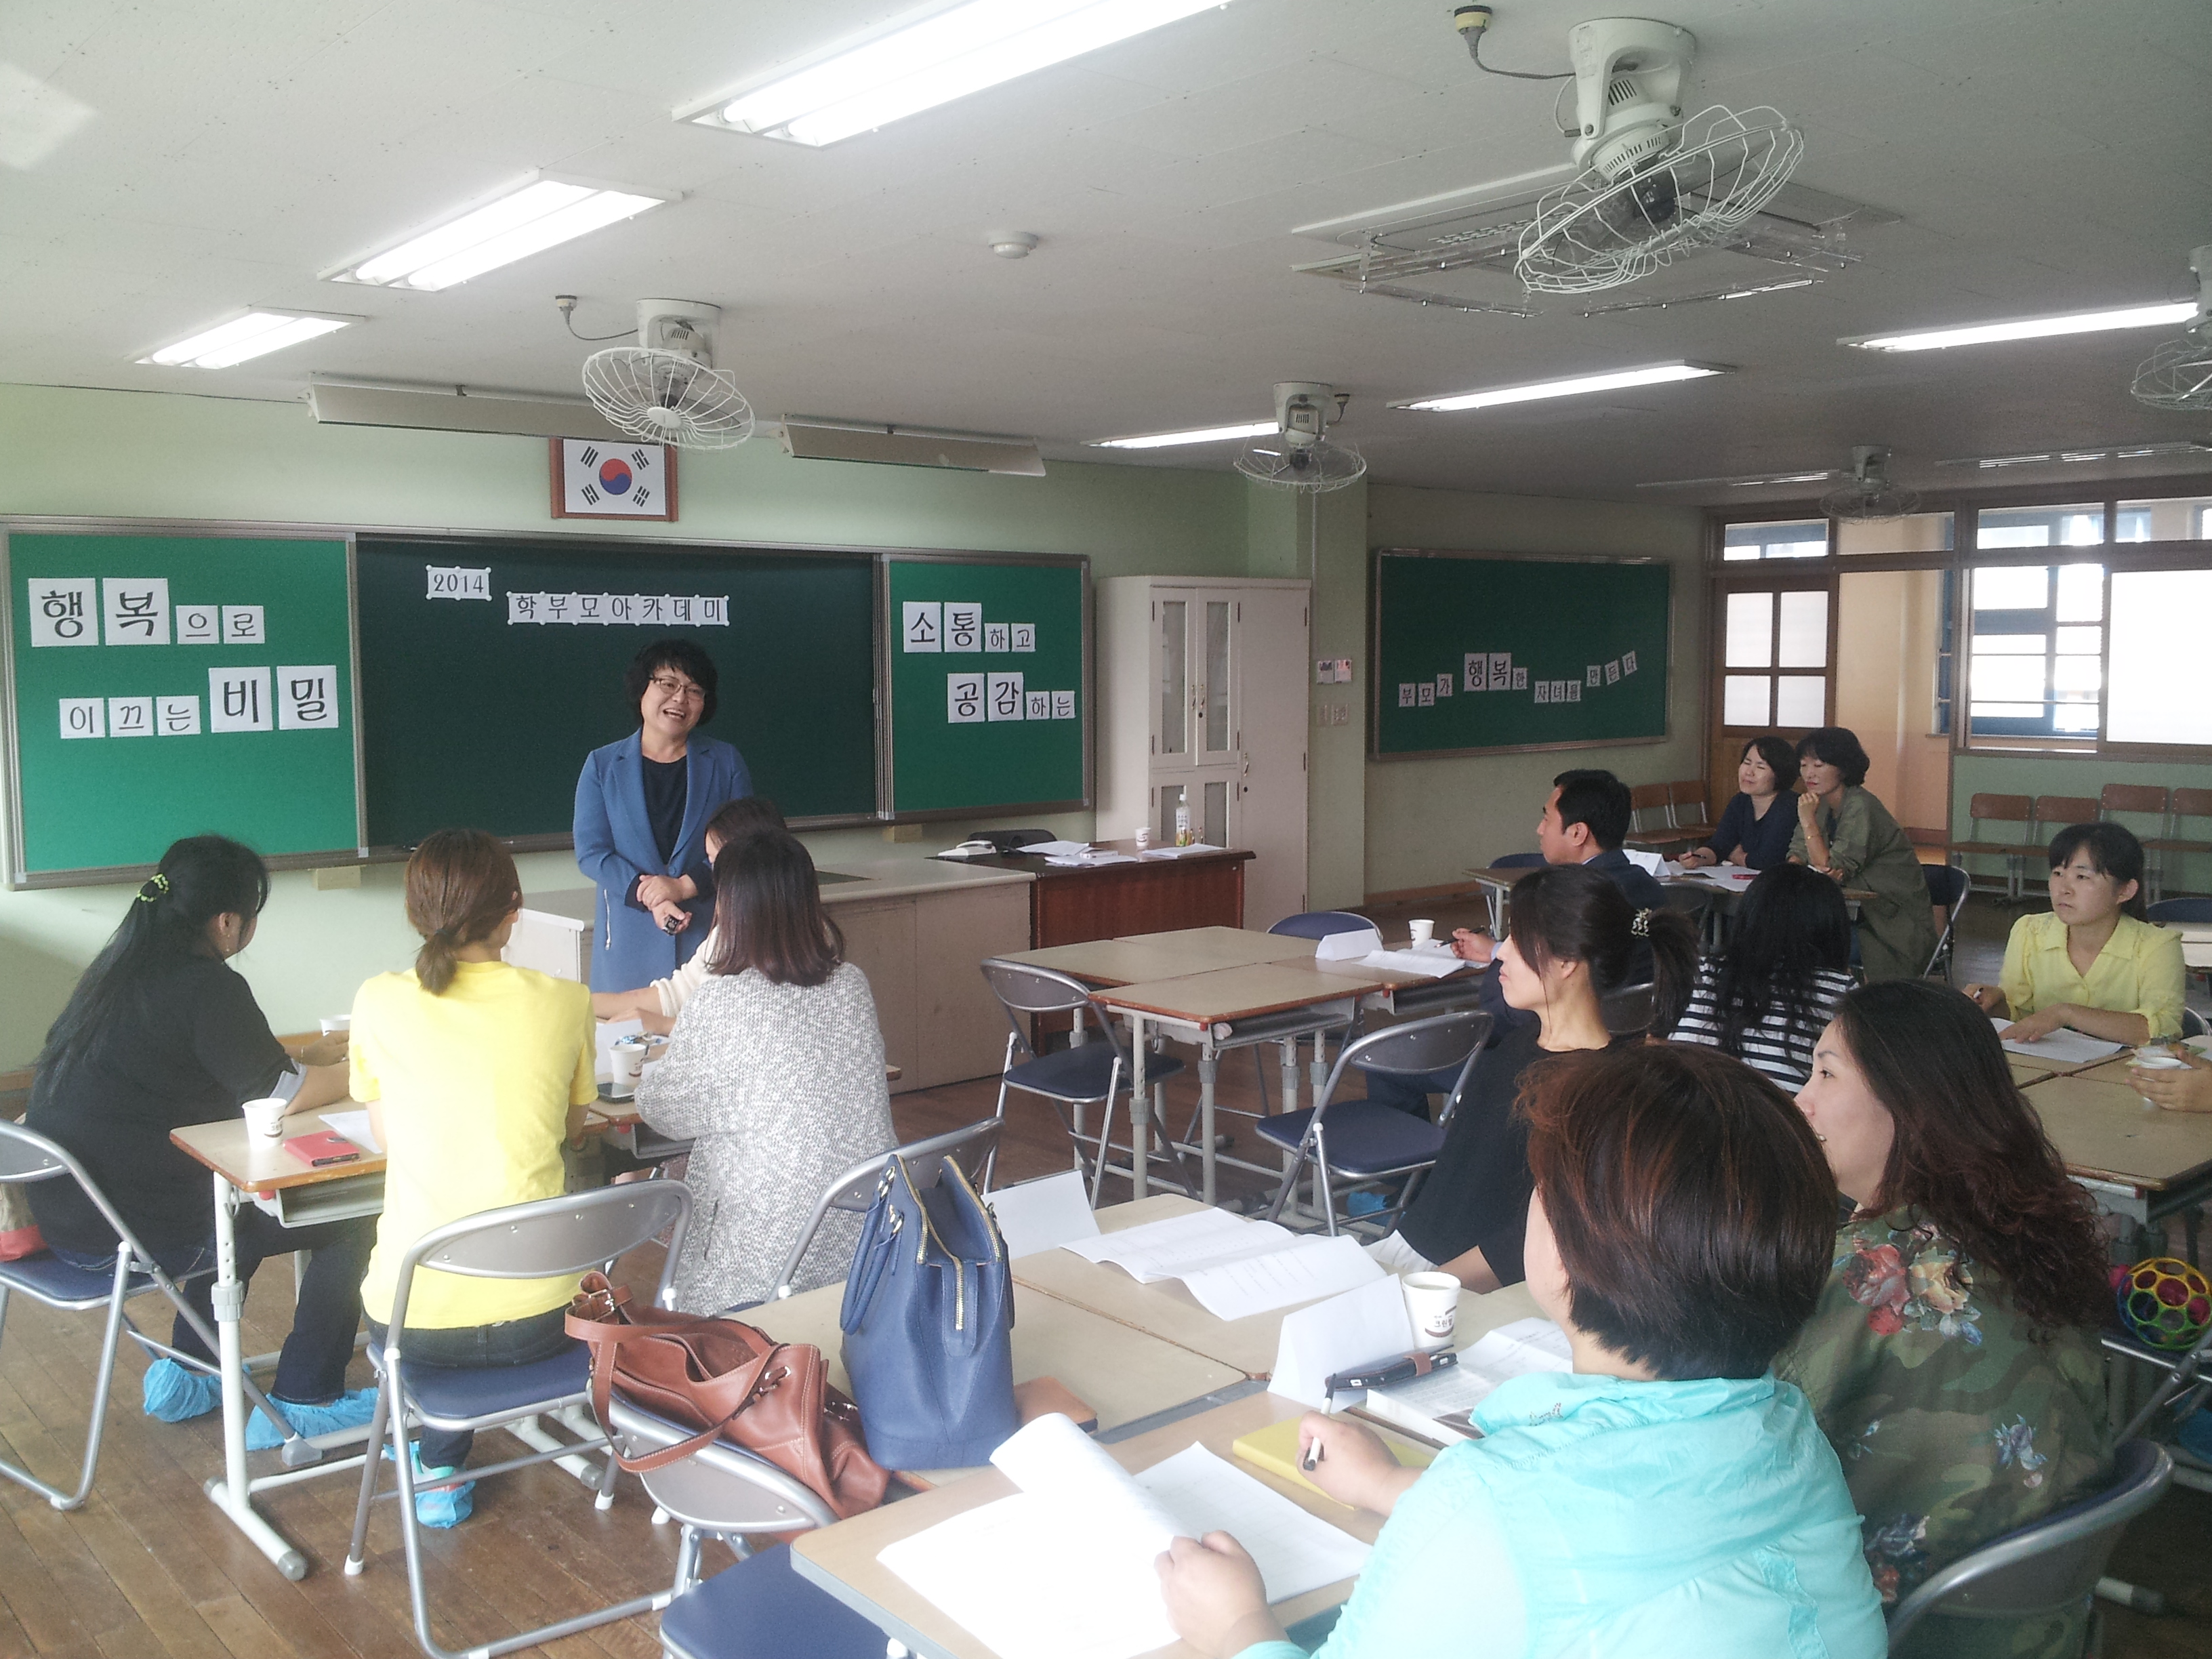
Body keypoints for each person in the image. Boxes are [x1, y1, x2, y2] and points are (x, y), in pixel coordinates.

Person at [1158, 1043, 1887, 1659]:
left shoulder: (1489, 1508)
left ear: (1569, 1258)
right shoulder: (1792, 1436)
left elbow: (1532, 1533)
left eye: (1541, 1190)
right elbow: (1620, 1534)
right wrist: (1391, 1487)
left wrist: (1238, 1628)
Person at [1782, 981, 2112, 1658]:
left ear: (1910, 1104)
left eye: (1826, 1073)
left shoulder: (1864, 1274)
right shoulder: (2031, 1225)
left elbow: (1751, 1451)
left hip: (1910, 1630)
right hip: (2042, 1626)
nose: (1800, 1100)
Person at [23, 836, 375, 1438]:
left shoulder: (116, 972)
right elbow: (281, 1097)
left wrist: (302, 1062)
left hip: (69, 1220)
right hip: (131, 1236)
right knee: (351, 1209)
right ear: (228, 922)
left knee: (238, 1200)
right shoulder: (208, 986)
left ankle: (191, 1371)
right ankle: (308, 1395)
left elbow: (227, 1069)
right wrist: (372, 1063)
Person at [351, 829, 599, 1528]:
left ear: (415, 912)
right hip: (545, 1319)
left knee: (434, 1275)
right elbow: (572, 1129)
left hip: (414, 1321)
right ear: (513, 909)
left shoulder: (377, 1000)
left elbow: (387, 1137)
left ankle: (437, 1465)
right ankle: (443, 1455)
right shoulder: (567, 1000)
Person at [1364, 863, 1697, 1291]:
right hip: (1418, 1253)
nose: (1501, 953)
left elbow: (1537, 1238)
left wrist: (1427, 1287)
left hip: (1468, 1289)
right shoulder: (1520, 1044)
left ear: (1567, 962)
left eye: (1518, 941)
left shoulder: (1598, 1089)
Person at [636, 832, 896, 1313]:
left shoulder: (720, 999)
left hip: (765, 1267)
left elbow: (666, 1114)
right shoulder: (851, 985)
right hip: (869, 1245)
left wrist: (648, 1071)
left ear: (731, 909)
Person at [1364, 768, 1668, 1118]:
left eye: (1547, 818)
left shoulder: (1568, 901)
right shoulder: (1648, 887)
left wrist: (1482, 1005)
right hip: (1617, 1050)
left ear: (1578, 833)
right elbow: (1570, 962)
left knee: (1384, 1061)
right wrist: (1495, 950)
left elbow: (1511, 1010)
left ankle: (1416, 1154)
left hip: (1534, 1055)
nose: (1539, 829)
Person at [573, 638, 750, 991]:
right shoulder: (602, 765)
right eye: (668, 684)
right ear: (643, 689)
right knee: (629, 1024)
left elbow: (746, 844)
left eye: (694, 690)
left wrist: (684, 886)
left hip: (710, 940)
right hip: (628, 943)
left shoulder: (726, 762)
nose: (680, 698)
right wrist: (651, 895)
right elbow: (592, 852)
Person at [1965, 822, 2184, 1046]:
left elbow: (2162, 1029)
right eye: (2058, 873)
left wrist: (2066, 1013)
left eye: (2082, 877)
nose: (2064, 889)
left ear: (2124, 891)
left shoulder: (2157, 945)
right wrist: (1995, 1003)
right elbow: (2018, 1015)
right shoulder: (2030, 931)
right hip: (2045, 1063)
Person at [590, 795, 788, 1033]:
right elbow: (677, 993)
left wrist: (664, 1025)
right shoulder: (727, 934)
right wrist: (580, 1002)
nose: (714, 875)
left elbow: (746, 1032)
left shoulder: (797, 944)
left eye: (716, 862)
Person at [1671, 861, 1854, 1089]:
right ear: (1834, 930)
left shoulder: (1704, 972)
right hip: (1780, 1112)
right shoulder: (1842, 993)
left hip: (1684, 1106)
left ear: (1747, 918)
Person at [1790, 726, 1938, 983]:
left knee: (1803, 943)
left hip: (1889, 927)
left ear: (1844, 768)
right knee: (1786, 933)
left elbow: (1830, 866)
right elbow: (1797, 855)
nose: (1809, 773)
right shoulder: (1819, 803)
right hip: (1851, 914)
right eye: (1804, 765)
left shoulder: (1860, 805)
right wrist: (1795, 868)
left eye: (1819, 765)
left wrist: (1807, 821)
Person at [1677, 734, 1801, 871]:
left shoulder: (1790, 806)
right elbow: (1720, 845)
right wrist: (1698, 858)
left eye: (1760, 767)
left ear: (1780, 774)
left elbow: (1767, 860)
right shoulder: (1741, 801)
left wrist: (1737, 857)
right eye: (1747, 763)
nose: (1749, 772)